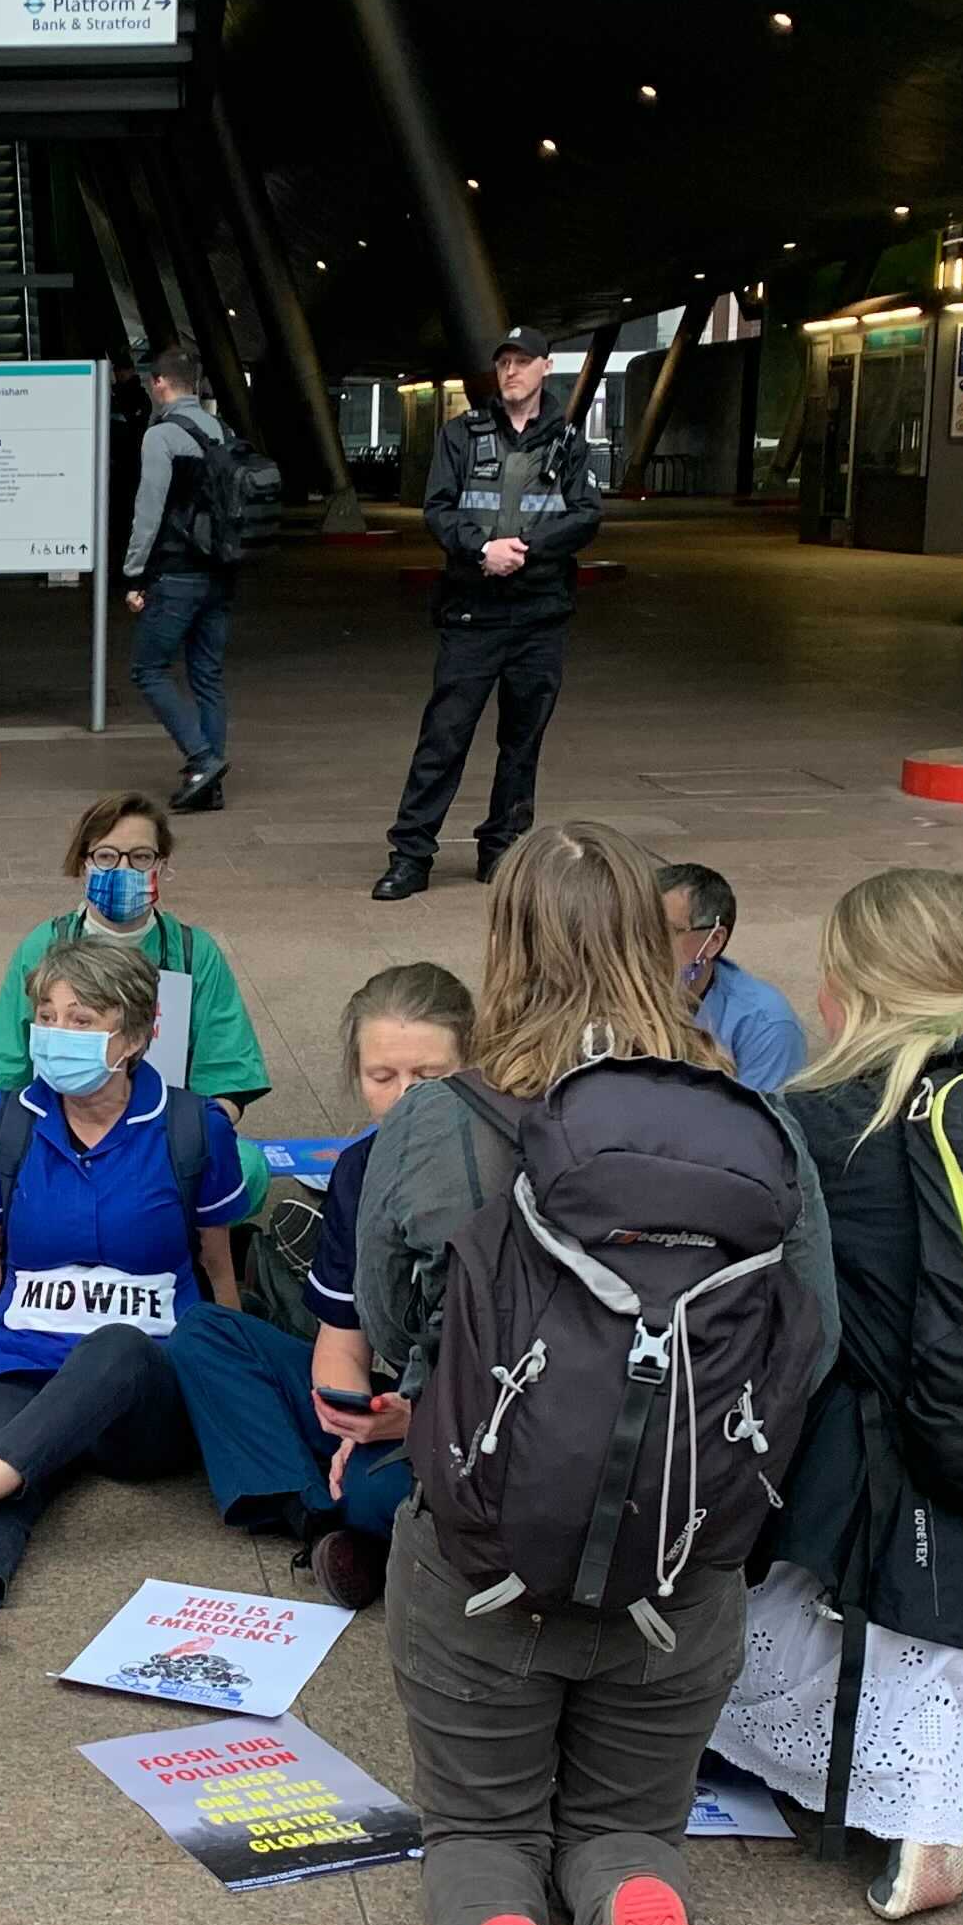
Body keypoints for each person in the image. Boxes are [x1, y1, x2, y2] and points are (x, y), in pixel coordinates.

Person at [353, 824, 837, 1925]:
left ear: (503, 946)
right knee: (632, 1819)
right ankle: (632, 1914)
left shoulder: (445, 1120)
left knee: (483, 1832)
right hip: (685, 1568)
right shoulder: (758, 1131)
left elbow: (398, 1333)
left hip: (483, 1559)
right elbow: (815, 1342)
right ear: (659, 941)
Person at [706, 871, 963, 1920]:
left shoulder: (822, 1122)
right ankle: (932, 1776)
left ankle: (919, 1799)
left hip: (872, 1510)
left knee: (707, 1660)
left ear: (845, 989)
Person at [0, 935, 251, 1657]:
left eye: (82, 1020)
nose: (58, 1036)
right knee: (7, 1458)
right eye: (48, 1017)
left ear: (137, 1033)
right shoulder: (8, 1124)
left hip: (144, 1380)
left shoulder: (194, 1129)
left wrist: (237, 1392)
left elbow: (218, 1266)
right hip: (20, 1357)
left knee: (111, 1350)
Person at [164, 963, 469, 1614]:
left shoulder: (506, 1166)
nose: (406, 1096)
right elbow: (341, 1338)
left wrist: (419, 1422)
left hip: (481, 1418)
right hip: (395, 1406)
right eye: (382, 1077)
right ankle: (325, 1521)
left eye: (429, 1077)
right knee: (204, 1333)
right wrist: (350, 1415)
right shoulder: (361, 1169)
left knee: (391, 1490)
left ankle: (347, 1514)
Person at [379, 328, 604, 902]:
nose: (511, 372)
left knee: (522, 740)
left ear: (545, 368)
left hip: (539, 616)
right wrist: (484, 549)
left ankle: (502, 850)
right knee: (444, 736)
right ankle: (411, 855)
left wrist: (524, 549)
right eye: (504, 362)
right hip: (471, 613)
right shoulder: (461, 434)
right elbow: (438, 509)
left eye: (522, 362)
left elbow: (584, 515)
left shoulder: (570, 442)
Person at [0, 791, 269, 1111]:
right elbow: (3, 1070)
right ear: (84, 863)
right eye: (107, 856)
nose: (123, 869)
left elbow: (227, 1077)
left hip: (167, 1135)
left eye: (140, 857)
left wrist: (191, 1137)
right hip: (54, 1132)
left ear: (161, 864)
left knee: (246, 1162)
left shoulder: (195, 953)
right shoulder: (45, 945)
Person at [120, 344, 241, 812]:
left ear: (160, 384)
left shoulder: (162, 436)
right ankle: (208, 784)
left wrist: (134, 574)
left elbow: (147, 512)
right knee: (207, 675)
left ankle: (202, 758)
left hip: (176, 574)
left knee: (148, 669)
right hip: (220, 574)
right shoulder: (222, 431)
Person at [660, 862, 808, 1093]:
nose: (643, 946)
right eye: (637, 930)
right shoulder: (612, 993)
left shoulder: (766, 1024)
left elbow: (761, 1123)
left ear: (713, 941)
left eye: (666, 932)